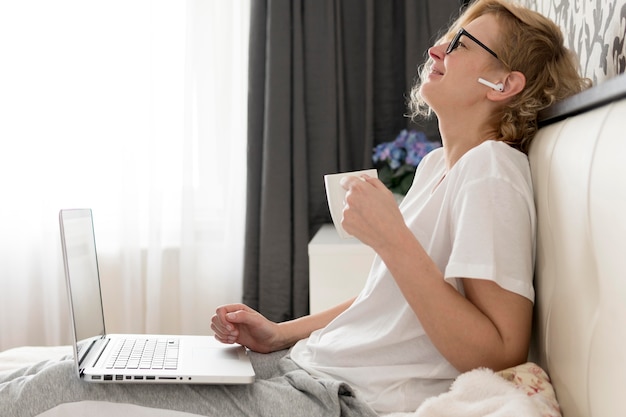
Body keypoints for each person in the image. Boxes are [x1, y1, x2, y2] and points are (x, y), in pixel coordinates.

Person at [0, 1, 590, 416]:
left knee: (55, 385)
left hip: (332, 401)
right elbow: (383, 305)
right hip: (303, 369)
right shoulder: (441, 167)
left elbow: (496, 350)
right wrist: (279, 333)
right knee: (59, 368)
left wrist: (392, 239)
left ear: (504, 84)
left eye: (464, 43)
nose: (438, 46)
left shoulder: (493, 170)